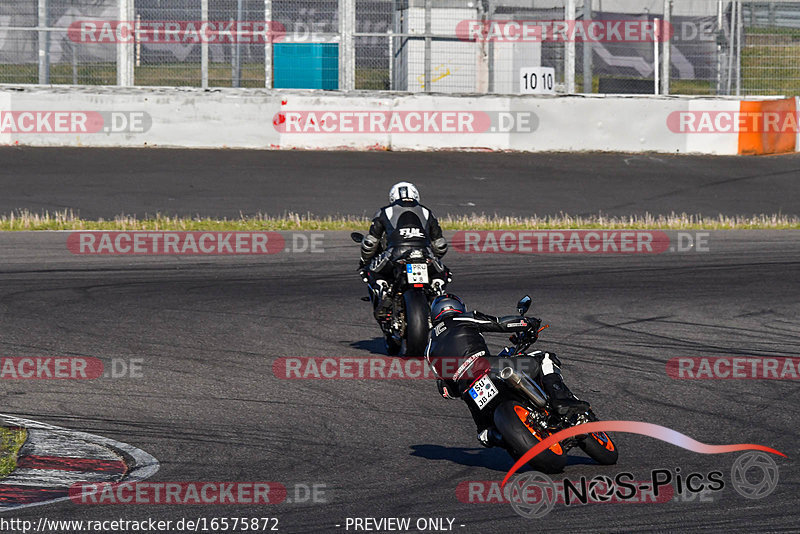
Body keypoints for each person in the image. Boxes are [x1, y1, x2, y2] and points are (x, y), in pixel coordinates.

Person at [424, 294, 589, 448]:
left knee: (484, 433)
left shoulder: (429, 349)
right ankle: (561, 399)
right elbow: (499, 323)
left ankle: (502, 436)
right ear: (458, 306)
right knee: (544, 358)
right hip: (486, 366)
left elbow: (446, 390)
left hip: (467, 391)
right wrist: (528, 323)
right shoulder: (462, 317)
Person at [358, 182, 449, 319]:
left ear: (392, 197)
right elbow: (440, 244)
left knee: (371, 271)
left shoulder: (385, 212)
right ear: (416, 196)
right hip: (425, 253)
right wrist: (436, 256)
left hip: (396, 253)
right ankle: (437, 289)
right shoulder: (427, 212)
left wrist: (365, 260)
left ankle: (384, 292)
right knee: (444, 273)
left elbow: (370, 243)